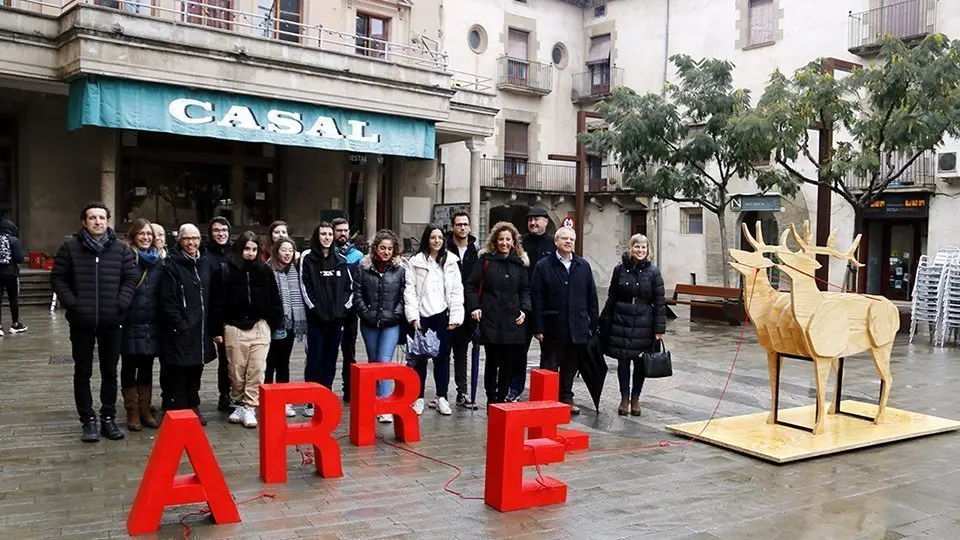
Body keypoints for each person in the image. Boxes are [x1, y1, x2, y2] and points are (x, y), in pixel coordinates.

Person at [50, 202, 138, 442]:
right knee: (83, 372)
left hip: (112, 321)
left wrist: (121, 303)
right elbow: (58, 279)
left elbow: (130, 278)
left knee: (110, 371)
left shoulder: (120, 250)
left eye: (102, 217)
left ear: (107, 220)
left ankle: (108, 417)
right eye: (92, 218)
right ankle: (88, 420)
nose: (98, 222)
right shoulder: (70, 247)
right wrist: (74, 305)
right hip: (82, 322)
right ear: (84, 222)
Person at [531, 227, 599, 415]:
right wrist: (537, 326)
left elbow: (591, 296)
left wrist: (593, 324)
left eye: (571, 239)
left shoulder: (582, 265)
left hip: (577, 326)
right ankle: (548, 400)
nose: (568, 242)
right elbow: (536, 297)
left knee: (571, 365)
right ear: (556, 241)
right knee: (550, 365)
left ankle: (566, 398)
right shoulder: (543, 266)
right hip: (553, 325)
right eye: (564, 239)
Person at [219, 231, 283, 429]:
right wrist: (218, 328)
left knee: (256, 369)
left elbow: (274, 299)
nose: (250, 253)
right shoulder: (226, 270)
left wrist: (272, 323)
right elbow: (217, 302)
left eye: (254, 249)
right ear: (240, 249)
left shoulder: (265, 271)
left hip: (259, 325)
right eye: (247, 249)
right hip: (234, 325)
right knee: (236, 369)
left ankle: (249, 406)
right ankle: (238, 402)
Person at [464, 221, 531, 405]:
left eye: (508, 239)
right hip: (491, 317)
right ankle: (490, 398)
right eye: (501, 239)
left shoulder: (519, 264)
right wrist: (474, 307)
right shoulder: (485, 261)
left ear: (513, 241)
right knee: (492, 361)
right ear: (495, 241)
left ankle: (502, 398)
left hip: (512, 319)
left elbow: (525, 289)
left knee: (509, 363)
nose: (504, 243)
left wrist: (524, 310)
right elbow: (471, 285)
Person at [158, 223, 219, 424]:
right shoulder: (171, 264)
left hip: (201, 329)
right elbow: (168, 301)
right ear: (179, 240)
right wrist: (181, 324)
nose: (191, 242)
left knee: (196, 369)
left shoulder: (205, 262)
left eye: (195, 238)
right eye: (186, 239)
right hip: (181, 328)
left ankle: (193, 405)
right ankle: (178, 408)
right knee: (179, 371)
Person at [600, 234, 666, 417]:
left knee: (640, 362)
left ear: (648, 250)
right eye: (637, 247)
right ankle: (624, 397)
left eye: (644, 247)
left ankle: (636, 398)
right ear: (631, 248)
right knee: (623, 361)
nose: (640, 250)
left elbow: (660, 302)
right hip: (622, 319)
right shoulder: (619, 270)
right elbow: (612, 296)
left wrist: (659, 329)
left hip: (644, 321)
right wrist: (603, 319)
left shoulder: (653, 272)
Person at [404, 224, 464, 416]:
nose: (436, 241)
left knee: (442, 358)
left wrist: (455, 316)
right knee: (419, 359)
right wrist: (413, 316)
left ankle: (441, 397)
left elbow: (456, 291)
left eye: (439, 237)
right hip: (422, 316)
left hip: (442, 315)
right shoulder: (415, 262)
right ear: (426, 240)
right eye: (432, 237)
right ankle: (418, 397)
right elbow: (410, 291)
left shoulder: (451, 262)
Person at [298, 222, 353, 416]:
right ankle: (310, 400)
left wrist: (341, 311)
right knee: (315, 358)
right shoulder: (307, 257)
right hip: (316, 320)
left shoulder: (341, 259)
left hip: (336, 321)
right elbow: (305, 286)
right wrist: (315, 310)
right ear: (317, 235)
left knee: (331, 358)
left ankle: (326, 394)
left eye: (329, 234)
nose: (327, 237)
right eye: (323, 234)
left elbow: (349, 288)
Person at [354, 229, 406, 424]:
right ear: (375, 249)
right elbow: (356, 294)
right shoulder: (363, 268)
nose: (386, 252)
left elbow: (404, 295)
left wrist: (395, 314)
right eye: (382, 248)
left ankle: (384, 406)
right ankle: (374, 398)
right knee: (373, 361)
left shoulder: (400, 270)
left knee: (384, 362)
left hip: (391, 322)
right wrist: (365, 313)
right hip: (369, 323)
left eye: (390, 249)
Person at [119, 219, 162, 431]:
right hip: (129, 323)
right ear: (133, 235)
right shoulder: (126, 258)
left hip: (151, 324)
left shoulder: (158, 261)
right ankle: (132, 412)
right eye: (141, 233)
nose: (146, 237)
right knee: (128, 367)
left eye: (149, 234)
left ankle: (145, 410)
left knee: (146, 368)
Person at [508, 207, 554, 401]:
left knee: (550, 353)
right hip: (523, 305)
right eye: (530, 220)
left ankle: (547, 393)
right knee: (519, 350)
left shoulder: (554, 243)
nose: (533, 223)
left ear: (546, 222)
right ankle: (515, 389)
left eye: (537, 220)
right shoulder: (520, 244)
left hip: (547, 306)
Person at [266, 237, 307, 418]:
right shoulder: (268, 269)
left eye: (290, 250)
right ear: (276, 251)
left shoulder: (295, 270)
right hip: (272, 324)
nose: (287, 253)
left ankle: (284, 400)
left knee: (284, 363)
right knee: (269, 364)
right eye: (284, 250)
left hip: (290, 324)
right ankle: (266, 399)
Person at [445, 211, 479, 409]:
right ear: (453, 227)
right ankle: (441, 393)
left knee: (461, 353)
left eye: (465, 224)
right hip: (446, 307)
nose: (462, 228)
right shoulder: (445, 248)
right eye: (458, 224)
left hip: (467, 309)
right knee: (442, 353)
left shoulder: (476, 250)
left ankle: (462, 392)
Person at [204, 216, 234, 413]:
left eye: (224, 230)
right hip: (211, 312)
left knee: (230, 359)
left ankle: (228, 394)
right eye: (216, 230)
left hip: (232, 314)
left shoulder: (236, 253)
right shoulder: (205, 255)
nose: (220, 233)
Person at [333, 217, 363, 402]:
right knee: (328, 352)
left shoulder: (358, 256)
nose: (343, 234)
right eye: (339, 231)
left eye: (345, 230)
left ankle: (349, 389)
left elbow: (359, 285)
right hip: (330, 312)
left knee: (349, 352)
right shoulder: (327, 254)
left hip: (350, 312)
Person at [0, 218, 26, 336]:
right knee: (13, 299)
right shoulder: (14, 241)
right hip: (11, 275)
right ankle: (15, 324)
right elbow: (20, 258)